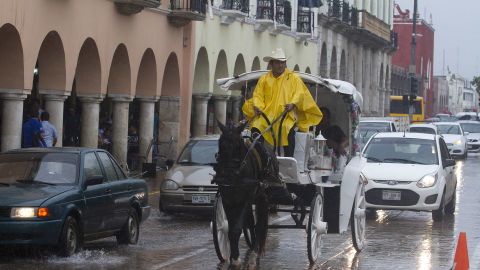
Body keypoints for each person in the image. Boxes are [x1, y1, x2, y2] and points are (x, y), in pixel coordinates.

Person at [249, 48, 323, 157]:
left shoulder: (293, 78)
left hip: (286, 115)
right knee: (256, 127)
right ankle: (257, 157)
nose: (280, 65)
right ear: (271, 64)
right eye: (278, 62)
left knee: (287, 129)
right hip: (266, 115)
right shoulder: (264, 79)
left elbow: (299, 93)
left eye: (282, 62)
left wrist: (293, 103)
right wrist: (258, 107)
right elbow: (258, 95)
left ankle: (289, 159)